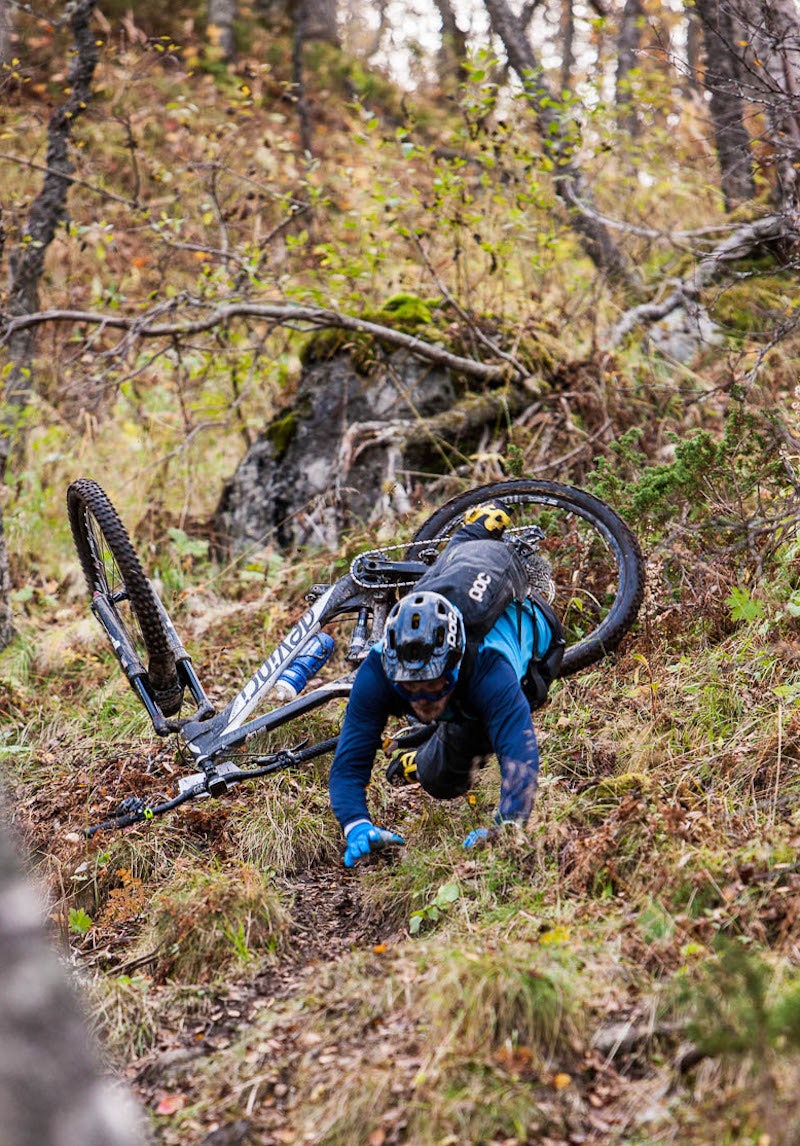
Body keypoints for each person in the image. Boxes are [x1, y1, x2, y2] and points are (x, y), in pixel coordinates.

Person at [328, 501, 564, 868]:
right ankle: (470, 534)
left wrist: (507, 827)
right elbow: (350, 759)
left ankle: (426, 754)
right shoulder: (377, 671)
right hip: (451, 598)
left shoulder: (491, 669)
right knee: (441, 785)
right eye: (411, 688)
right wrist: (356, 824)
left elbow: (519, 755)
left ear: (453, 662)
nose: (422, 701)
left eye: (434, 686)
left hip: (530, 641)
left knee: (456, 765)